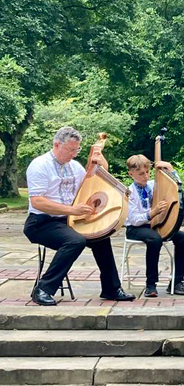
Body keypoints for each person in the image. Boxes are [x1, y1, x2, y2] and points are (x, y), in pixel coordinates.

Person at [24, 126, 135, 306]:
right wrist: (72, 210)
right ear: (56, 145)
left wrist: (102, 165)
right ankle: (42, 289)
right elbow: (37, 202)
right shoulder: (39, 165)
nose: (74, 154)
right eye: (71, 150)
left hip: (69, 220)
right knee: (75, 241)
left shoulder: (75, 167)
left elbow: (93, 185)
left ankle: (111, 289)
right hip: (41, 222)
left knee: (101, 236)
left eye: (77, 149)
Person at [125, 155, 184, 297]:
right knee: (155, 240)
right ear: (131, 174)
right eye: (141, 174)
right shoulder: (129, 192)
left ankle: (177, 281)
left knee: (183, 238)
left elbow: (175, 186)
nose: (146, 176)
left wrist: (170, 169)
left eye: (148, 172)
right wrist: (153, 213)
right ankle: (151, 284)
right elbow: (135, 219)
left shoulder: (154, 184)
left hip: (155, 225)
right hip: (136, 228)